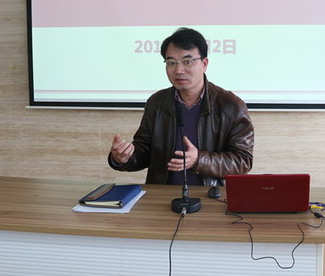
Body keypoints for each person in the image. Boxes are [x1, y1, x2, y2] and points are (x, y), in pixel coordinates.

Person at [108, 27, 254, 187]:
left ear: (204, 64)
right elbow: (144, 153)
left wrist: (199, 160)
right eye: (171, 63)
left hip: (212, 196)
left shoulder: (231, 106)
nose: (178, 70)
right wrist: (124, 157)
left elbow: (243, 161)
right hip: (162, 195)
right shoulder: (157, 103)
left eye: (187, 62)